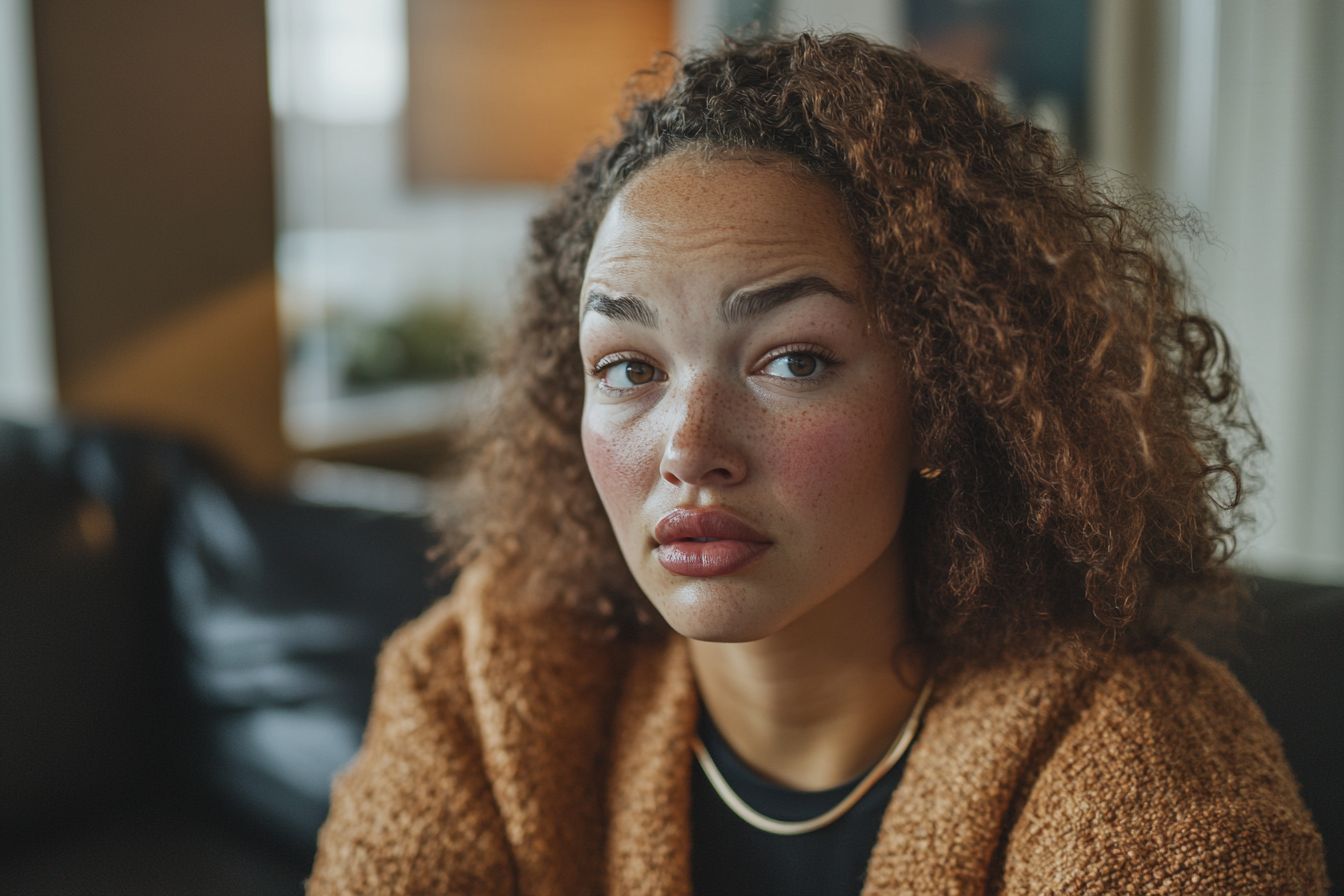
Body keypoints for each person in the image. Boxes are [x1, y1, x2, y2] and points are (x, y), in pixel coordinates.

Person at [307, 33, 1327, 895]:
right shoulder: (482, 687)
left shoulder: (1140, 766)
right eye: (628, 366)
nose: (690, 446)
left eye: (794, 359)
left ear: (941, 401)